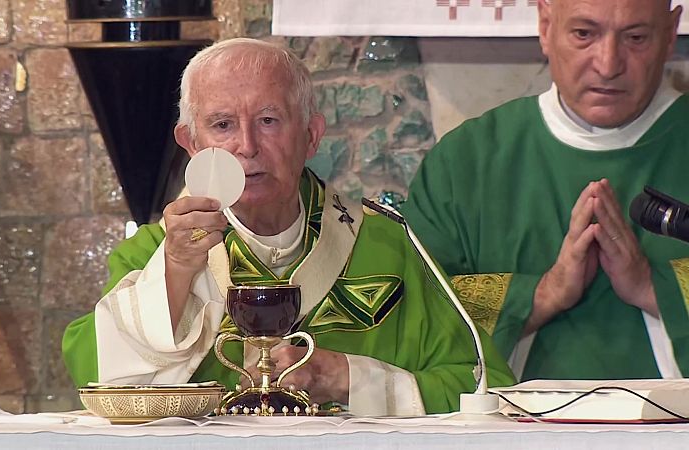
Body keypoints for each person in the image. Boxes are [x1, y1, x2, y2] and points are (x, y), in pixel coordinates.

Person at [62, 38, 514, 415]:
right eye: (222, 124)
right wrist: (177, 273)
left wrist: (349, 379)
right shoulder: (154, 256)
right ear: (192, 144)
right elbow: (97, 378)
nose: (247, 146)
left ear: (311, 136)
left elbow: (486, 388)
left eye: (269, 120)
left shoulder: (388, 246)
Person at [402, 0, 688, 382]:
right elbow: (410, 316)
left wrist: (652, 287)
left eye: (635, 37)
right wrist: (542, 295)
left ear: (671, 33)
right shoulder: (467, 160)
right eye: (584, 34)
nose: (608, 63)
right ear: (546, 25)